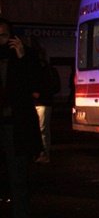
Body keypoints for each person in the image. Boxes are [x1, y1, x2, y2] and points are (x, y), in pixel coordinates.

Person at [0, 17, 42, 218]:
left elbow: (36, 85)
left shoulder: (23, 57)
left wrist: (22, 57)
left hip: (14, 126)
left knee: (18, 177)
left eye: (4, 35)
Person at [26, 36, 59, 164]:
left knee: (42, 129)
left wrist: (39, 94)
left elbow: (53, 86)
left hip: (42, 102)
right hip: (42, 102)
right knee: (41, 129)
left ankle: (44, 153)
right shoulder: (47, 69)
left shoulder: (44, 70)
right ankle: (42, 152)